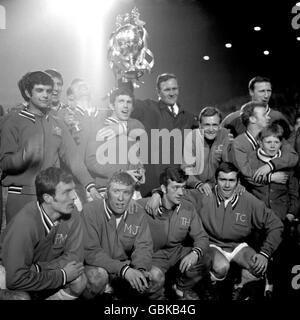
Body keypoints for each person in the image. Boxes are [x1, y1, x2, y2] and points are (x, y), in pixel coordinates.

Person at [147, 162, 284, 300]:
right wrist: (157, 194)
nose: (227, 185)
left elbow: (276, 225)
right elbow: (174, 192)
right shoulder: (204, 195)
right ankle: (206, 284)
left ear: (238, 182)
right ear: (216, 180)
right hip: (211, 244)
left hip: (237, 246)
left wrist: (265, 253)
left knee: (258, 267)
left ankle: (240, 285)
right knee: (221, 266)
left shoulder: (248, 200)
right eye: (222, 180)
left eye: (231, 180)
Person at [0, 71, 100, 224]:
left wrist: (90, 186)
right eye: (39, 90)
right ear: (28, 93)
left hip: (51, 197)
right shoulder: (13, 121)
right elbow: (4, 162)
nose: (46, 95)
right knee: (20, 246)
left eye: (48, 90)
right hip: (21, 196)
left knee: (52, 245)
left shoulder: (57, 123)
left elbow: (74, 159)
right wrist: (24, 156)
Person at [0, 167, 86, 300]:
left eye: (73, 190)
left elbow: (75, 259)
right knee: (21, 298)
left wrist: (39, 268)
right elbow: (15, 279)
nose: (74, 196)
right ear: (48, 198)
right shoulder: (25, 223)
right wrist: (62, 276)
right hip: (8, 272)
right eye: (67, 192)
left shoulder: (73, 214)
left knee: (80, 281)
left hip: (34, 271)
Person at [82, 171, 162, 300]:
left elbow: (144, 246)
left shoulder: (137, 213)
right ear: (107, 193)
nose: (121, 198)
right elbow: (91, 252)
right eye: (116, 191)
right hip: (99, 266)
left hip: (125, 266)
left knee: (156, 276)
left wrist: (140, 269)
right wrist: (124, 270)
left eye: (126, 192)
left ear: (132, 195)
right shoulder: (90, 210)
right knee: (97, 277)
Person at [139, 167, 210, 300]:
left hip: (176, 252)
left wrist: (195, 253)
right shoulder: (143, 206)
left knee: (205, 257)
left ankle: (180, 290)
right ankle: (158, 298)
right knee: (155, 277)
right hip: (153, 256)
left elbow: (202, 237)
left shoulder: (188, 207)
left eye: (183, 187)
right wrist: (155, 194)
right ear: (164, 189)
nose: (180, 192)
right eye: (175, 187)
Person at [129, 73, 198, 196]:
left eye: (174, 89)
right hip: (152, 183)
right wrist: (126, 79)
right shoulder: (148, 108)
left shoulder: (189, 117)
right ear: (158, 92)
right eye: (167, 90)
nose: (171, 93)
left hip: (178, 183)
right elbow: (129, 101)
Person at [85, 87, 146, 198]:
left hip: (133, 189)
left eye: (129, 102)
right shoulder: (100, 128)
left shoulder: (134, 126)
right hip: (110, 188)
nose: (125, 106)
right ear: (112, 106)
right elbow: (91, 161)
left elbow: (137, 155)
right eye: (121, 101)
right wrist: (121, 173)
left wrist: (140, 169)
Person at [230, 101, 298, 187]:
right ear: (252, 119)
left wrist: (271, 165)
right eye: (264, 115)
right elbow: (247, 175)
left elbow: (293, 157)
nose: (268, 117)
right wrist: (270, 178)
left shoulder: (274, 135)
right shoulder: (238, 143)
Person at [182, 106, 232, 195]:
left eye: (215, 125)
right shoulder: (192, 138)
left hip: (219, 186)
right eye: (207, 125)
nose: (211, 129)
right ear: (200, 125)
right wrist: (198, 184)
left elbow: (227, 166)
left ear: (220, 125)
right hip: (195, 187)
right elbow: (186, 168)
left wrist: (212, 183)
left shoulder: (225, 135)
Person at [221, 76, 292, 139]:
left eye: (269, 91)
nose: (266, 95)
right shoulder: (233, 119)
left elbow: (291, 142)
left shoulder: (278, 117)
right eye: (262, 91)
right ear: (251, 92)